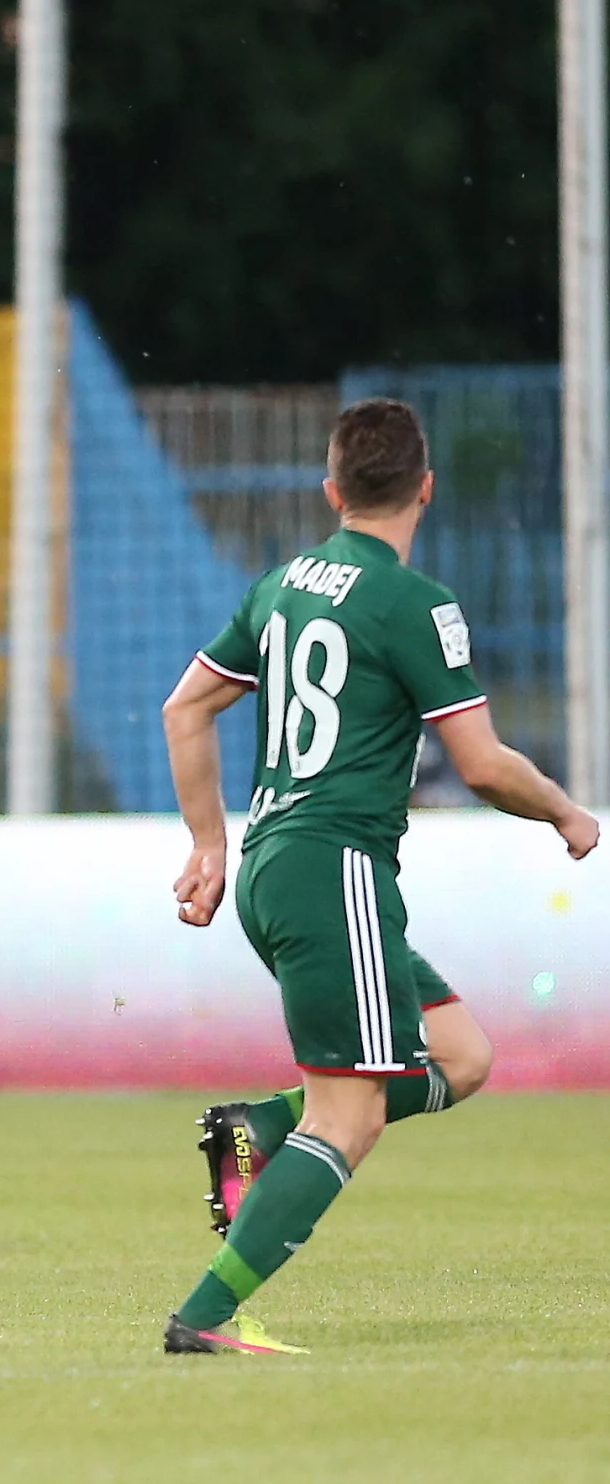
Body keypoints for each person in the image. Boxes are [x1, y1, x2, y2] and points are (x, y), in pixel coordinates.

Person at [161, 398, 598, 1356]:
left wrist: (207, 845)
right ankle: (205, 1317)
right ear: (425, 488)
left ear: (333, 490)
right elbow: (481, 765)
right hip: (335, 871)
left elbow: (184, 708)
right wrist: (567, 812)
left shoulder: (281, 585)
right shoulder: (413, 602)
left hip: (277, 867)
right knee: (349, 1117)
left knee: (463, 1057)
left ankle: (257, 1128)